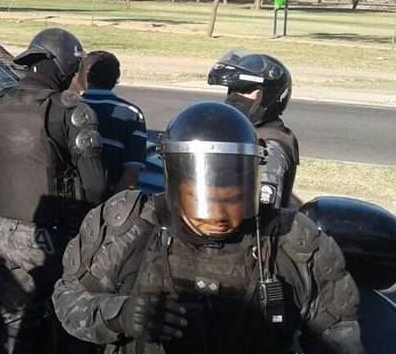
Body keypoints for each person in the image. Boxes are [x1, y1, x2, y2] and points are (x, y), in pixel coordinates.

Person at [53, 101, 362, 354]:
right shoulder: (130, 226)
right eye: (202, 199)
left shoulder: (294, 243)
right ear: (175, 183)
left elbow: (337, 337)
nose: (219, 215)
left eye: (233, 199)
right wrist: (120, 315)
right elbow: (69, 301)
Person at [0, 28, 107, 354]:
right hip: (53, 239)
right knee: (67, 325)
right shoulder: (69, 110)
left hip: (1, 232)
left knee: (13, 327)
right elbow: (96, 187)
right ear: (64, 65)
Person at [208, 49, 299, 208]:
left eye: (247, 91)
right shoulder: (245, 132)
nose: (236, 97)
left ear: (270, 96)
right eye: (234, 90)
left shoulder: (271, 148)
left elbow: (263, 212)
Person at [76, 51, 148, 193]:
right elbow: (132, 173)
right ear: (116, 78)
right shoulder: (132, 114)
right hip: (108, 203)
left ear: (85, 75)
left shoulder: (68, 108)